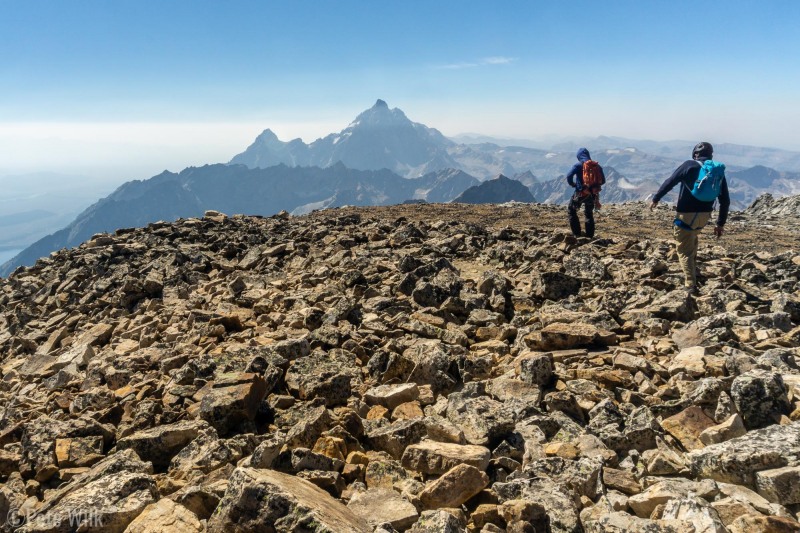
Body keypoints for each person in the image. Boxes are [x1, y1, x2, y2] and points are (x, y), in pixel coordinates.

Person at [650, 141, 730, 294]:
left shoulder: (688, 165)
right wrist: (720, 224)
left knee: (684, 250)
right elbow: (725, 200)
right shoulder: (716, 171)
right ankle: (694, 272)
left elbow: (670, 181)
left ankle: (690, 284)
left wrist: (656, 198)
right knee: (692, 239)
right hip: (704, 217)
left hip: (686, 215)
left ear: (695, 154)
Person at [566, 148, 606, 238]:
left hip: (580, 193)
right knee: (588, 213)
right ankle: (589, 236)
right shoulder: (597, 166)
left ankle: (577, 234)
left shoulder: (578, 165)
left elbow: (569, 176)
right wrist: (593, 188)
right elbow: (603, 180)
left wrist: (574, 184)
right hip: (592, 195)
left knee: (571, 211)